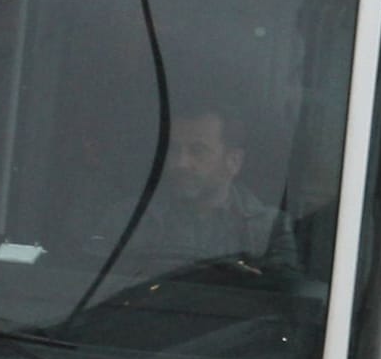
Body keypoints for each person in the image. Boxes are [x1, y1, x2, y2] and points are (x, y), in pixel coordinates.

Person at [96, 104, 302, 277]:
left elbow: (281, 301)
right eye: (174, 150)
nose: (180, 163)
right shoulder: (127, 218)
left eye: (198, 151)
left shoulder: (270, 229)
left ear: (234, 161)